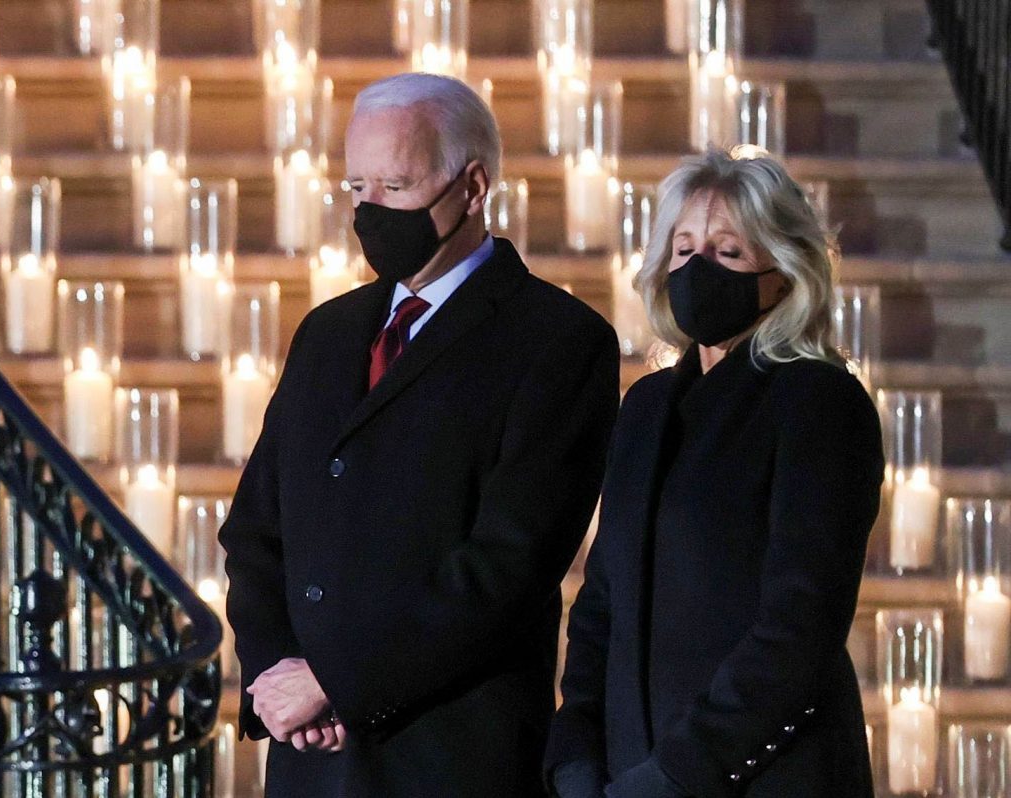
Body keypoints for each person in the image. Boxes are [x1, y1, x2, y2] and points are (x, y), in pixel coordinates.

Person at [219, 72, 620, 797]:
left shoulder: (558, 342)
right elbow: (256, 531)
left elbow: (508, 565)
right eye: (357, 188)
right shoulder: (328, 333)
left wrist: (339, 681)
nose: (371, 212)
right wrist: (276, 672)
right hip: (312, 760)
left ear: (472, 188)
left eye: (396, 188)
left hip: (449, 758)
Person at [546, 148, 884, 798]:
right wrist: (575, 757)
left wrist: (675, 775)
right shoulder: (644, 408)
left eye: (728, 252)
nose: (699, 267)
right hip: (625, 770)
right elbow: (601, 604)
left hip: (756, 776)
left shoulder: (818, 402)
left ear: (784, 273)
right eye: (684, 248)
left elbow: (800, 625)